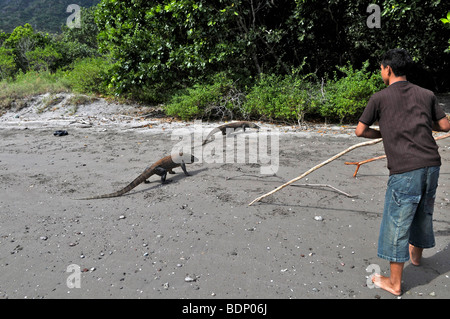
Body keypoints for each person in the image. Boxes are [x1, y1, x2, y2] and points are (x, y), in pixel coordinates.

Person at [355, 48, 450, 296]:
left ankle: (395, 284)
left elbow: (360, 130)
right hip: (432, 164)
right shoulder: (426, 94)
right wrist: (418, 122)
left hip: (406, 169)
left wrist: (382, 132)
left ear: (388, 69)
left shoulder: (379, 98)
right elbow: (445, 125)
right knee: (423, 211)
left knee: (396, 223)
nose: (380, 72)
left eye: (380, 68)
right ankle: (416, 258)